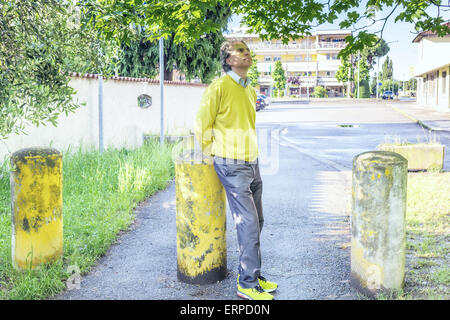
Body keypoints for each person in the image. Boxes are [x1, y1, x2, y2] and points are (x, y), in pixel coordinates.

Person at [194, 40, 277, 300]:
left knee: (257, 221)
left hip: (252, 161)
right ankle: (247, 285)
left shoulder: (250, 90)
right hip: (230, 163)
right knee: (249, 222)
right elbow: (202, 125)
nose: (247, 54)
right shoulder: (218, 87)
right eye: (240, 51)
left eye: (247, 50)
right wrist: (213, 154)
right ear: (228, 60)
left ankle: (251, 273)